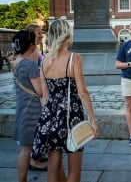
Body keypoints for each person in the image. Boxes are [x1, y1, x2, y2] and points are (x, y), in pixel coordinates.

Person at [31, 19, 99, 182]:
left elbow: (44, 95)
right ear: (67, 34)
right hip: (71, 116)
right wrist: (93, 120)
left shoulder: (44, 61)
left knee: (53, 170)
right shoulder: (74, 58)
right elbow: (82, 92)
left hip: (50, 116)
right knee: (74, 170)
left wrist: (47, 117)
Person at [12, 30, 47, 182]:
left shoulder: (17, 61)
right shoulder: (30, 64)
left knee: (25, 148)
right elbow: (39, 90)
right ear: (31, 44)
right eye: (35, 38)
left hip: (22, 108)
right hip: (32, 111)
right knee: (26, 149)